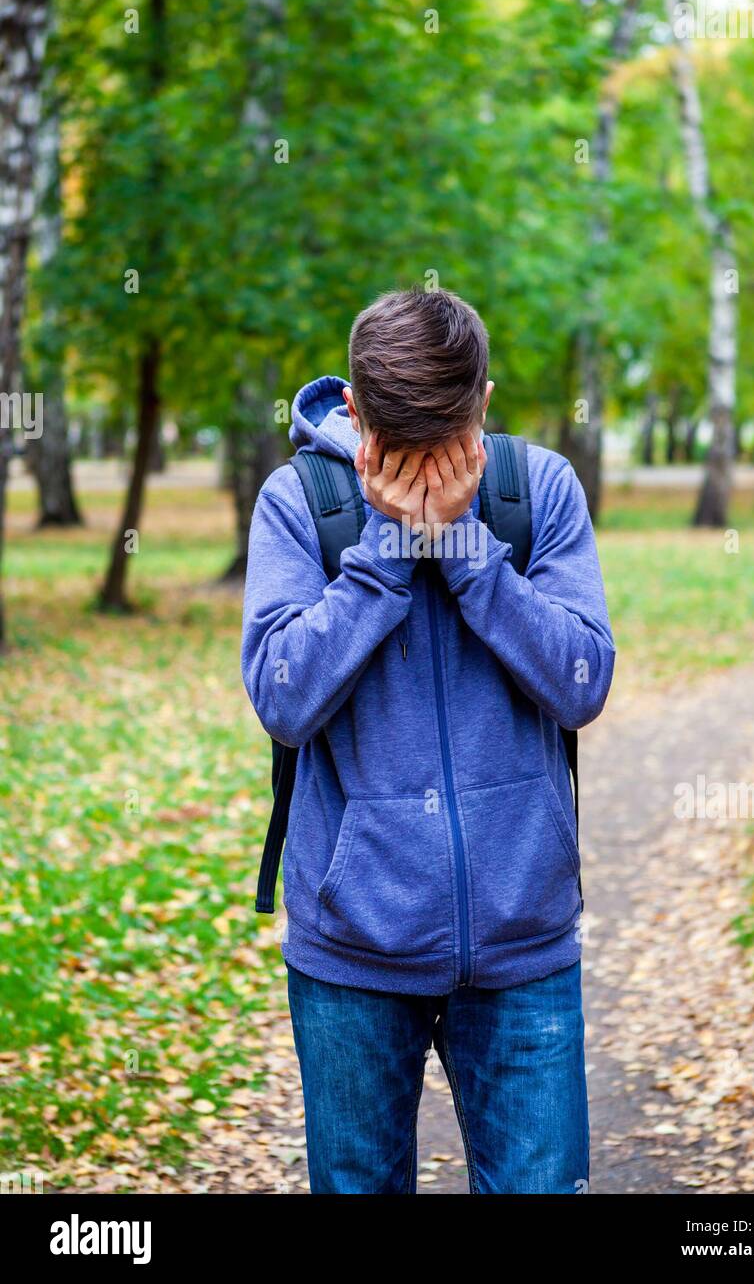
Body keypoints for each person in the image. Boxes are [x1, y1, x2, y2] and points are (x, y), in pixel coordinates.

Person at [241, 287, 615, 1194]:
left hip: (523, 944)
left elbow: (582, 683)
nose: (428, 474)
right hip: (352, 953)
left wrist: (467, 549)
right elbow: (282, 699)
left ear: (482, 403)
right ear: (358, 417)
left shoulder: (539, 491)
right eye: (403, 453)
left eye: (445, 449)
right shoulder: (300, 504)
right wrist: (386, 553)